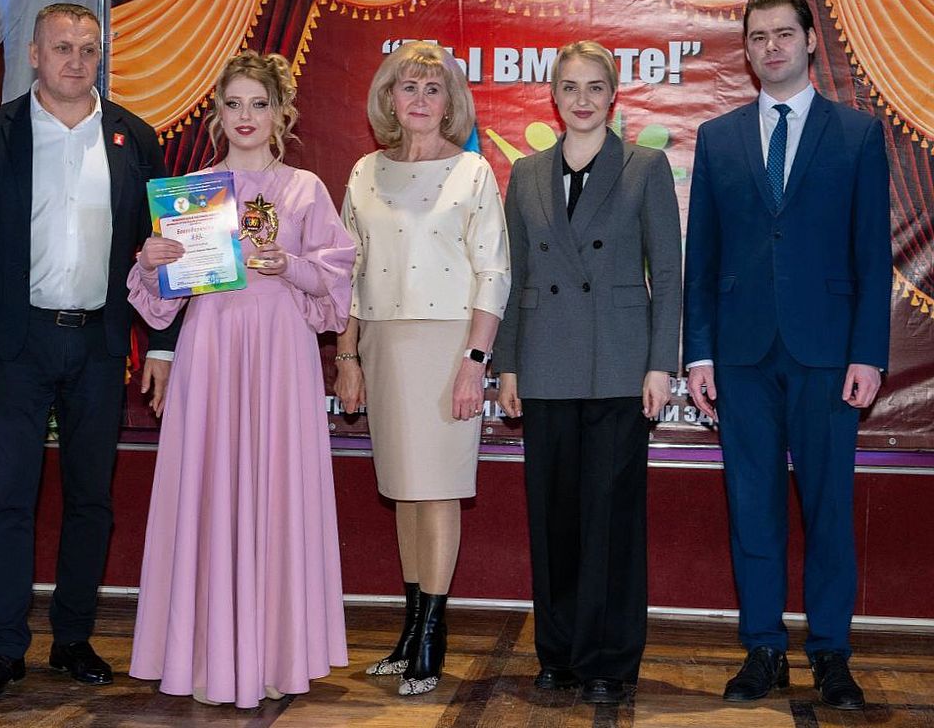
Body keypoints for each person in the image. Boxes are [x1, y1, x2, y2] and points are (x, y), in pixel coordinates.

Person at [0, 3, 177, 701]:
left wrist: (162, 346)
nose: (77, 60)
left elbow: (168, 250)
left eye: (88, 48)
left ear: (101, 57)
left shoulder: (134, 137)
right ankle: (3, 648)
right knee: (9, 499)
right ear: (34, 55)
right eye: (62, 47)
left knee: (90, 501)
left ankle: (73, 638)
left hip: (101, 345)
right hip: (14, 347)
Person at [684, 0, 891, 710]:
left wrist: (868, 353)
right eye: (757, 37)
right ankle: (764, 648)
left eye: (782, 34)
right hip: (740, 357)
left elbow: (873, 255)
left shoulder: (858, 135)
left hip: (829, 356)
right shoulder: (718, 138)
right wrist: (698, 354)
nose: (770, 47)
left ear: (809, 41)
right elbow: (701, 259)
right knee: (753, 508)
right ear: (745, 51)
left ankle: (831, 653)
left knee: (829, 509)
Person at [127, 51, 354, 708]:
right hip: (211, 352)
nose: (246, 116)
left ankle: (276, 656)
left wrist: (291, 265)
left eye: (259, 104)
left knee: (277, 491)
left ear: (282, 112)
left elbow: (337, 282)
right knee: (210, 490)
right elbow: (161, 299)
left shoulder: (305, 189)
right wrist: (152, 260)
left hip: (281, 356)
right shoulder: (192, 193)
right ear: (217, 113)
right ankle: (205, 658)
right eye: (234, 104)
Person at [493, 40, 682, 705]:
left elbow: (669, 273)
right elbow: (513, 276)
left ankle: (609, 661)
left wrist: (660, 364)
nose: (582, 100)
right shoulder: (526, 173)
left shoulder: (644, 166)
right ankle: (560, 654)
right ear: (553, 95)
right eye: (570, 87)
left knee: (612, 519)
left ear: (613, 95)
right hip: (545, 363)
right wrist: (507, 366)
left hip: (619, 364)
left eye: (595, 87)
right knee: (554, 519)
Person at [335, 41, 509, 696]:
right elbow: (347, 274)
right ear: (389, 98)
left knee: (437, 488)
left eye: (433, 89)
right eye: (408, 87)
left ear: (450, 102)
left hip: (448, 346)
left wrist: (474, 362)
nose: (419, 99)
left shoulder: (473, 173)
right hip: (382, 344)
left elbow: (494, 272)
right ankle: (410, 632)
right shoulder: (364, 172)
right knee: (404, 489)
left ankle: (434, 634)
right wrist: (347, 356)